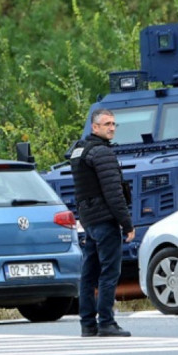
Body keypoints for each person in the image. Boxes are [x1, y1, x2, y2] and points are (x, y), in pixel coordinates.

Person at [69, 108, 135, 337]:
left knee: (88, 274)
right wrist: (127, 224)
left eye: (114, 124)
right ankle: (106, 322)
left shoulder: (79, 152)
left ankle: (87, 324)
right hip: (105, 220)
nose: (112, 128)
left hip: (89, 220)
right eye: (107, 124)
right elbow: (114, 193)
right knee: (109, 272)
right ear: (94, 127)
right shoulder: (102, 153)